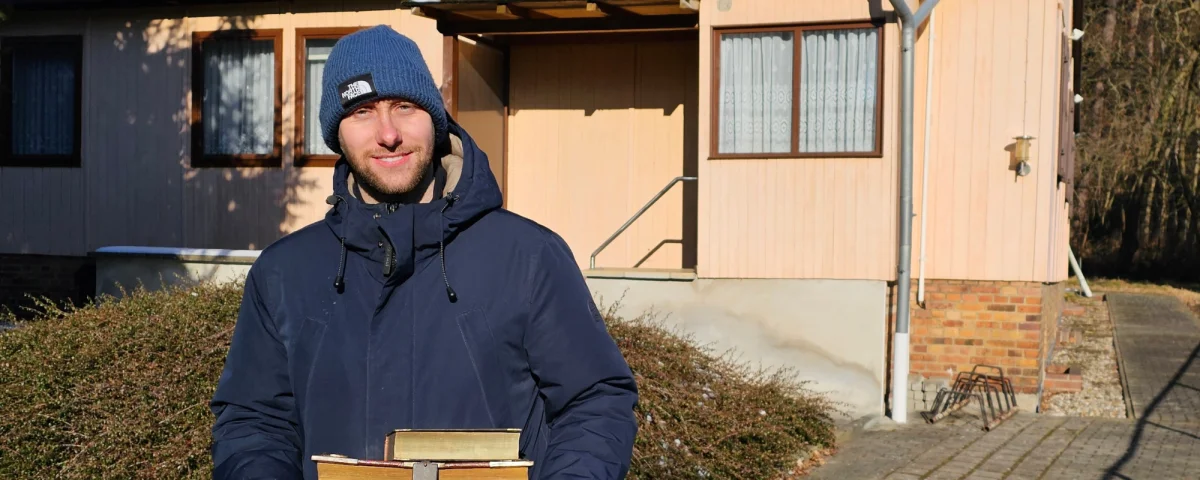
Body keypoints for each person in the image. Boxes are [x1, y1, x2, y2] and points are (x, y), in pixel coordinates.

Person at [209, 25, 639, 480]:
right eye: (362, 112)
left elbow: (595, 401)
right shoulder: (283, 273)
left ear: (434, 118)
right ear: (336, 134)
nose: (388, 133)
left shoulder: (529, 257)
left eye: (405, 107)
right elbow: (253, 423)